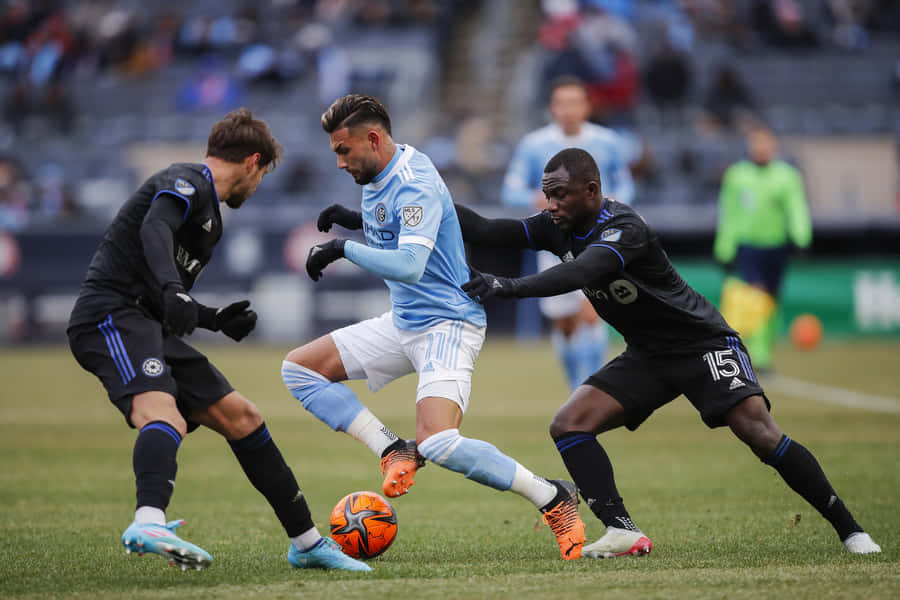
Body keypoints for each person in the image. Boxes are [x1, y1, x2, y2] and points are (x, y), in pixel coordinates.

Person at [456, 147, 881, 557]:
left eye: (559, 194)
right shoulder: (557, 224)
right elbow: (488, 229)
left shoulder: (624, 227)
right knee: (569, 424)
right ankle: (621, 530)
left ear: (591, 190)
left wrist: (506, 286)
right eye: (547, 194)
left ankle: (851, 530)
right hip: (649, 355)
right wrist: (427, 195)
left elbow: (582, 271)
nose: (550, 204)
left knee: (759, 433)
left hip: (701, 342)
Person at [282, 94, 586, 560]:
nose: (340, 162)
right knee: (298, 370)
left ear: (373, 138)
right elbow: (396, 224)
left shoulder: (415, 179)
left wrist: (343, 248)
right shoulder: (377, 172)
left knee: (440, 443)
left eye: (344, 151)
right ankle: (391, 449)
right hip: (404, 323)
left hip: (449, 323)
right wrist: (357, 221)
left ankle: (553, 498)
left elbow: (408, 264)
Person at [66, 109, 370, 573]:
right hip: (110, 315)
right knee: (161, 411)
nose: (258, 184)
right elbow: (155, 228)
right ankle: (148, 520)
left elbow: (163, 290)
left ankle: (307, 544)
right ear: (253, 162)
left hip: (146, 320)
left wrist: (213, 319)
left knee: (243, 417)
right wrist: (174, 291)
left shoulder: (212, 219)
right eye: (263, 174)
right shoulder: (187, 180)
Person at [501, 76, 635, 390]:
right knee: (564, 323)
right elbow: (511, 189)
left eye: (575, 102)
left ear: (586, 106)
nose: (568, 110)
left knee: (591, 312)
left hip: (597, 238)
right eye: (562, 103)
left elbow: (626, 182)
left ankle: (592, 388)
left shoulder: (606, 141)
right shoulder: (534, 145)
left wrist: (616, 199)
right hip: (555, 242)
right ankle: (575, 385)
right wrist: (535, 198)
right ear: (553, 107)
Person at [714, 126, 812, 371]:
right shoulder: (737, 175)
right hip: (749, 246)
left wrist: (801, 237)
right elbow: (729, 213)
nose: (760, 148)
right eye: (756, 143)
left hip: (777, 246)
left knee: (772, 301)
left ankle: (765, 350)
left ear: (773, 145)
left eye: (765, 143)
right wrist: (724, 247)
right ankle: (756, 356)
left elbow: (796, 207)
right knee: (756, 298)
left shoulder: (787, 176)